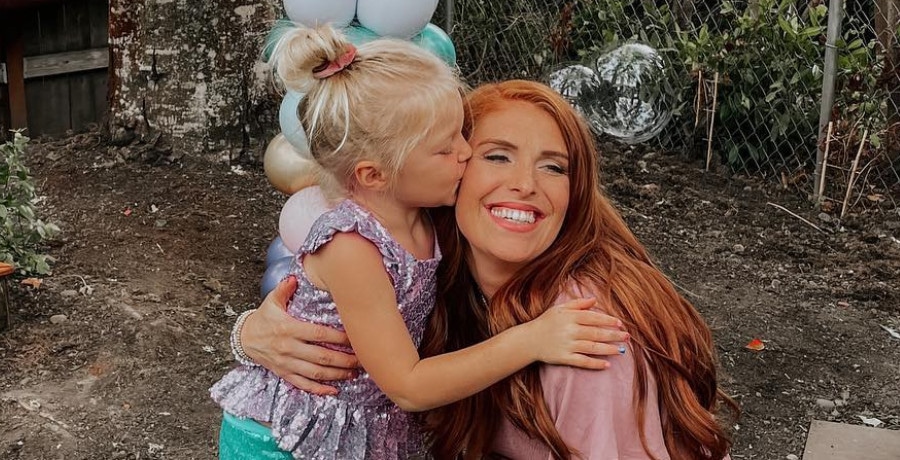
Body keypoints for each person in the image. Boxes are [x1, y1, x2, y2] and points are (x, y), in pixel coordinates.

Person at [238, 80, 738, 459]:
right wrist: (252, 333)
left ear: (575, 192)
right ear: (446, 170)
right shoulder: (426, 270)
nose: (524, 184)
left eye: (554, 166)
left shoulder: (587, 335)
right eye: (495, 156)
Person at [210, 26, 629, 460]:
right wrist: (533, 339)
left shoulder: (423, 210)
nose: (466, 153)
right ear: (375, 175)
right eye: (445, 148)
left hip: (359, 426)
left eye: (461, 135)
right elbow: (408, 385)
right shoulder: (352, 246)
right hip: (284, 440)